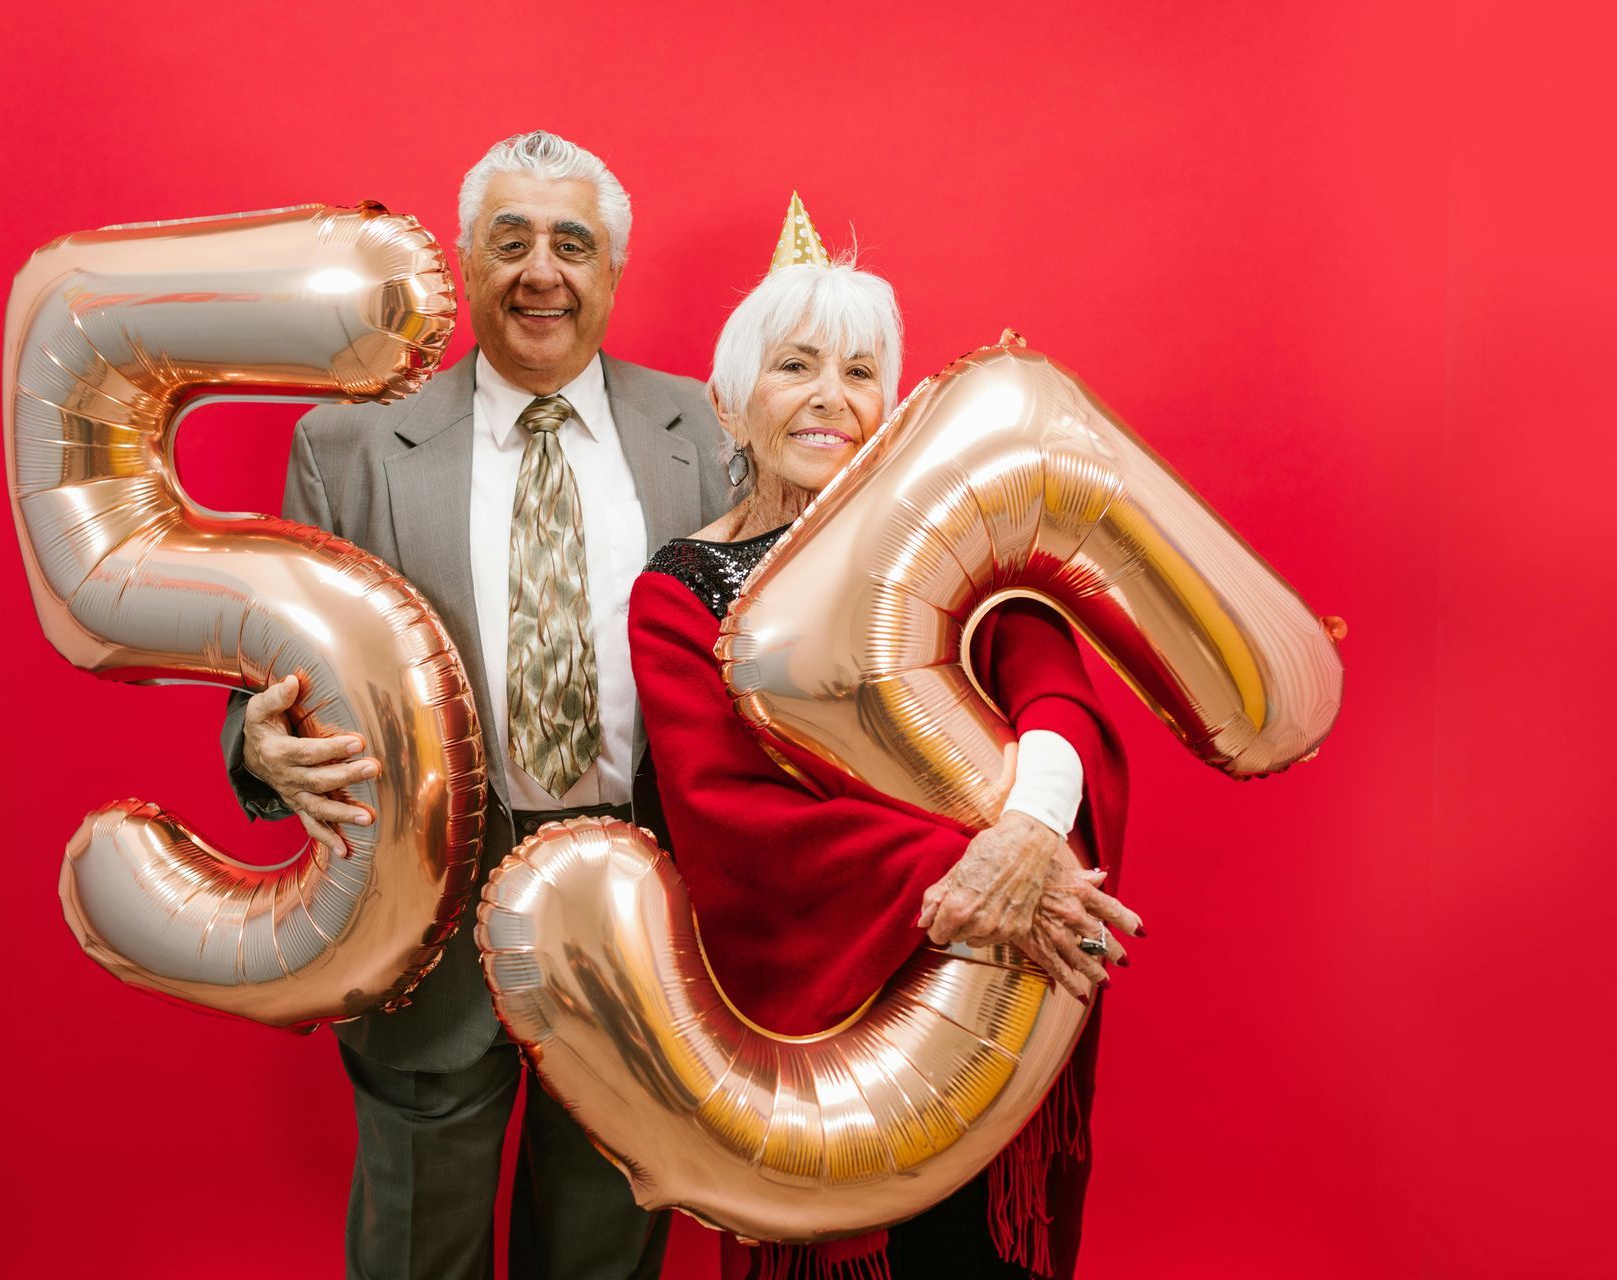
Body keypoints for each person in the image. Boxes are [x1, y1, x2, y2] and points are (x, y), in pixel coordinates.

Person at [222, 131, 730, 1280]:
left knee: (605, 1248)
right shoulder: (349, 448)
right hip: (431, 907)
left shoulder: (707, 431)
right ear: (464, 261)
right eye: (510, 241)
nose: (539, 270)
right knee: (415, 1254)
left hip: (633, 909)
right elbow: (282, 673)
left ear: (612, 270)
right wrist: (258, 744)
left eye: (570, 242)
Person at [626, 203, 1143, 1280]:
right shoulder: (680, 590)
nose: (831, 397)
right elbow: (728, 817)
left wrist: (1031, 836)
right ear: (729, 401)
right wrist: (965, 861)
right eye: (795, 365)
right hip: (825, 1009)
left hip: (1000, 969)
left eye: (861, 371)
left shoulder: (964, 543)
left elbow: (1058, 699)